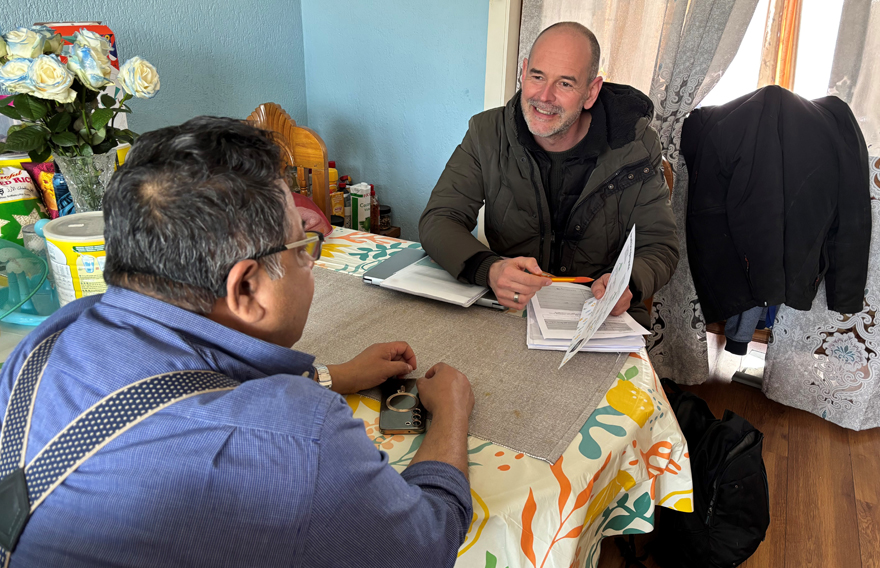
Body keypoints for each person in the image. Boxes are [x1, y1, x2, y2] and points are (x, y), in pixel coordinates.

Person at [0, 117, 474, 567]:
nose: (311, 263)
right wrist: (450, 414)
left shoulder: (54, 335)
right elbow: (426, 545)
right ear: (246, 288)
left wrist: (335, 376)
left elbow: (175, 390)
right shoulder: (299, 436)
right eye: (302, 248)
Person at [419, 22, 678, 328]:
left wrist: (628, 282)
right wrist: (489, 269)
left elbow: (660, 246)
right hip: (510, 310)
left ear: (591, 92)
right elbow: (440, 218)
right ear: (523, 71)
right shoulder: (486, 133)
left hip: (599, 318)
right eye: (537, 76)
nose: (544, 96)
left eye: (565, 84)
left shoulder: (636, 146)